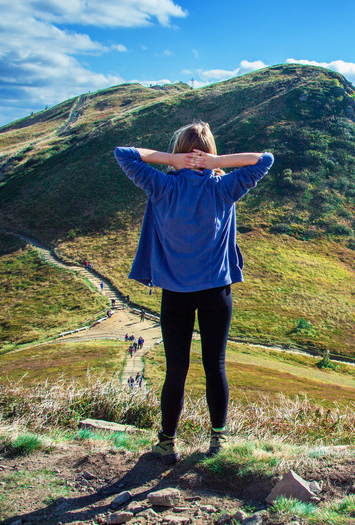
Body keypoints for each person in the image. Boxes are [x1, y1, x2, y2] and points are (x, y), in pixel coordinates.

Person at [114, 121, 273, 464]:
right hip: (217, 292)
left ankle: (166, 443)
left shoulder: (161, 185)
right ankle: (218, 441)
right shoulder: (224, 188)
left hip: (175, 295)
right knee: (215, 366)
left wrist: (171, 161)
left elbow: (124, 154)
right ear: (210, 153)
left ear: (177, 152)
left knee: (176, 370)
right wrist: (216, 164)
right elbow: (265, 159)